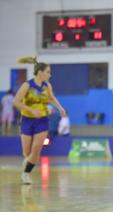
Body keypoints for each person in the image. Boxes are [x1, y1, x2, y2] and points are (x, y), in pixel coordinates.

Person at [14, 56, 66, 184]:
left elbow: (51, 98)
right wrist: (31, 110)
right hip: (27, 120)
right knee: (27, 153)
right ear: (40, 72)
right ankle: (27, 165)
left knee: (36, 148)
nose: (50, 74)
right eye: (48, 72)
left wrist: (60, 108)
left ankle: (26, 174)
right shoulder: (27, 85)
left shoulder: (47, 86)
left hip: (42, 120)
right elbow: (16, 102)